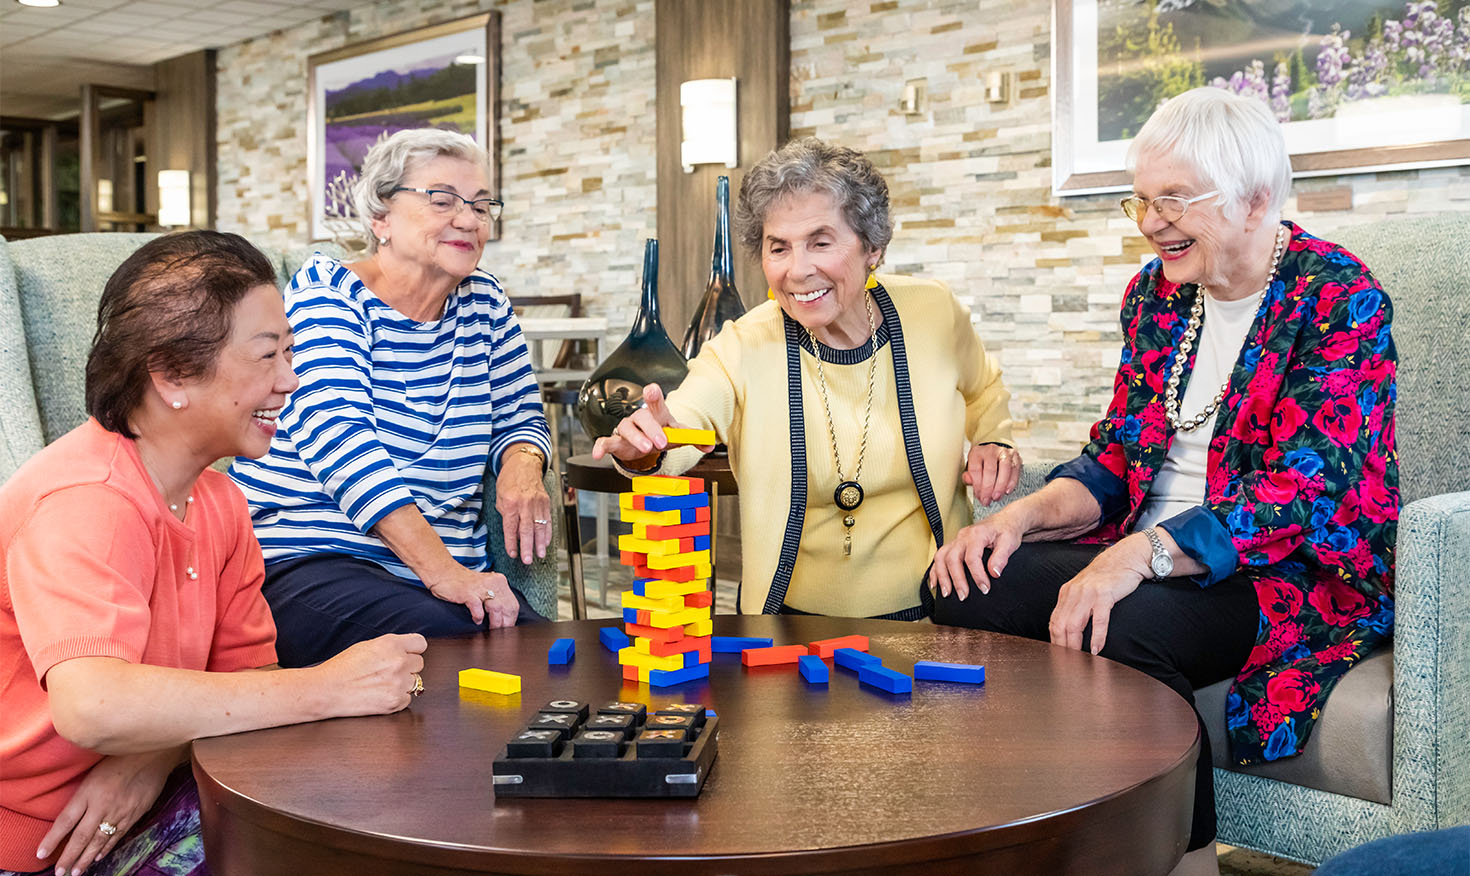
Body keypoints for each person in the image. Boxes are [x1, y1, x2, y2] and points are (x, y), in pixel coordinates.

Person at [927, 88, 1397, 876]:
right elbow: (1115, 459)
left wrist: (1136, 557)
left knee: (1129, 623)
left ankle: (1184, 860)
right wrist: (1019, 520)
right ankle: (1025, 829)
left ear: (1253, 200)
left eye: (1173, 199)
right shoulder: (1156, 296)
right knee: (964, 585)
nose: (1150, 222)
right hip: (1152, 550)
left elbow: (1302, 495)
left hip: (1281, 569)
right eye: (1141, 200)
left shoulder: (1338, 297)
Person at [0, 232, 426, 876]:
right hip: (37, 839)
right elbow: (93, 705)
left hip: (148, 794)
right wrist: (327, 687)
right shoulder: (87, 497)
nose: (291, 380)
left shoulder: (221, 501)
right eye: (266, 357)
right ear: (171, 373)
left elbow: (244, 687)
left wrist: (149, 758)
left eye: (290, 353)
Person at [594, 137, 1020, 618]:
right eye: (779, 248)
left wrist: (992, 440)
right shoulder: (745, 342)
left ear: (872, 247)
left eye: (820, 242)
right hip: (787, 629)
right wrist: (650, 443)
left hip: (933, 614)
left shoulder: (933, 312)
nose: (798, 270)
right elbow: (685, 418)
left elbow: (985, 388)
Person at [230, 128, 553, 667]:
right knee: (491, 654)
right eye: (442, 200)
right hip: (311, 559)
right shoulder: (328, 293)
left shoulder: (486, 303)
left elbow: (521, 415)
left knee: (546, 650)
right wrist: (445, 574)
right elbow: (342, 446)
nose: (469, 220)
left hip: (436, 574)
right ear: (380, 217)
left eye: (481, 205)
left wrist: (523, 463)